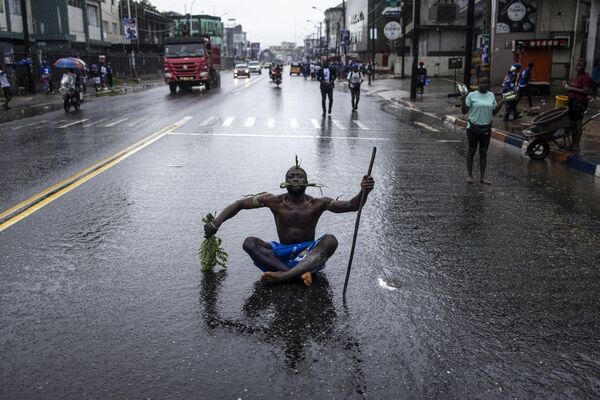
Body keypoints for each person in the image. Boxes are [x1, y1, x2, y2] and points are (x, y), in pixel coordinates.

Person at [203, 164, 375, 286]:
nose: (295, 179)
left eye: (300, 176)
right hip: (281, 253)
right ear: (285, 181)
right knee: (250, 243)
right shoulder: (273, 200)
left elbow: (351, 206)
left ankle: (283, 277)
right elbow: (239, 204)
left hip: (308, 255)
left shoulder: (318, 203)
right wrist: (215, 224)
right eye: (291, 176)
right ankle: (295, 275)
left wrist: (364, 191)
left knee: (330, 240)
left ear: (307, 181)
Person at [461, 76, 504, 184]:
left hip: (486, 128)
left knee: (483, 152)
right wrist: (463, 100)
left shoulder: (491, 95)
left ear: (488, 85)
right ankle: (470, 175)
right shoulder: (471, 95)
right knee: (471, 151)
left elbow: (493, 112)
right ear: (478, 83)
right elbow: (464, 111)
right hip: (473, 127)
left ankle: (482, 177)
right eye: (481, 82)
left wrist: (503, 102)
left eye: (486, 83)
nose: (483, 85)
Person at [564, 58, 592, 152]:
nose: (579, 67)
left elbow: (585, 90)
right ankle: (573, 144)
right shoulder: (577, 76)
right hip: (572, 101)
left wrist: (570, 88)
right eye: (578, 65)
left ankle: (576, 145)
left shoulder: (586, 77)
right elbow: (574, 86)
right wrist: (568, 85)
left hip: (579, 103)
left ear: (584, 67)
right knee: (572, 123)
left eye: (581, 65)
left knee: (578, 123)